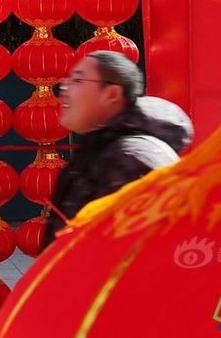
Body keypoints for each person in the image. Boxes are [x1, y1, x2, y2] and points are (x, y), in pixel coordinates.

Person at [44, 50, 194, 248]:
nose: (64, 90)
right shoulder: (105, 145)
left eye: (77, 81)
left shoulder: (132, 157)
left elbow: (138, 251)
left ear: (112, 94)